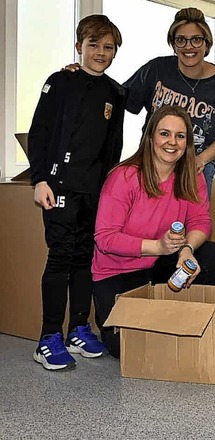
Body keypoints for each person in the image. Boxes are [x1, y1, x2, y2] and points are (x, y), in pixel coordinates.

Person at [28, 15, 126, 371]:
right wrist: (40, 179)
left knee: (85, 258)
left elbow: (112, 148)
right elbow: (38, 134)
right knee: (61, 257)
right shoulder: (60, 82)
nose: (101, 53)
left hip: (94, 192)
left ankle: (79, 329)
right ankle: (48, 337)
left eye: (108, 47)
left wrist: (110, 192)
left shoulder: (116, 92)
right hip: (57, 187)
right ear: (79, 47)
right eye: (94, 45)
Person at [92, 105, 215, 358]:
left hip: (160, 266)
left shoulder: (190, 175)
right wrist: (158, 246)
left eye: (180, 136)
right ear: (151, 136)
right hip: (117, 273)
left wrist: (187, 250)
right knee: (123, 349)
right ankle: (162, 319)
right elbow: (105, 238)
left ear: (188, 142)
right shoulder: (124, 177)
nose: (172, 142)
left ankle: (173, 313)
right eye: (164, 134)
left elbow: (201, 220)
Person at [67, 7, 215, 195]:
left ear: (207, 44)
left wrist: (200, 160)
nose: (188, 46)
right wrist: (85, 74)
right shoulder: (157, 69)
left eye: (196, 40)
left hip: (195, 168)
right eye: (180, 40)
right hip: (152, 165)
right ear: (173, 45)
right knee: (146, 222)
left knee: (193, 222)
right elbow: (118, 96)